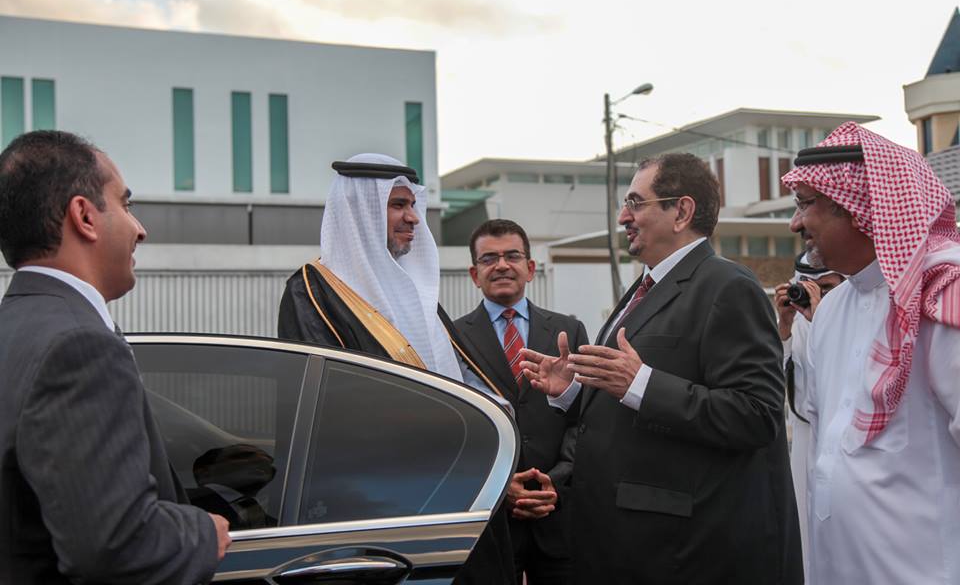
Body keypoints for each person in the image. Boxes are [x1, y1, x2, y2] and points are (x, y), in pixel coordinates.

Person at [521, 153, 802, 584]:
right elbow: (629, 404)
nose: (623, 217)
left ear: (681, 211)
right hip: (623, 542)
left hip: (681, 550)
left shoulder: (728, 287)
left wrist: (641, 383)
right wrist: (574, 392)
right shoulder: (646, 285)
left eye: (635, 203)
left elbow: (756, 415)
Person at [0, 131, 229, 584]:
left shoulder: (16, 329)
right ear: (84, 216)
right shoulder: (80, 347)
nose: (140, 229)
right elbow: (114, 545)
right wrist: (203, 533)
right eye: (125, 204)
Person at [277, 153, 516, 585]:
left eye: (413, 205)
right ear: (362, 210)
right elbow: (328, 409)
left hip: (454, 492)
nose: (412, 218)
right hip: (376, 511)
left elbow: (460, 382)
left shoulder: (414, 293)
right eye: (398, 205)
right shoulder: (312, 291)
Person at [782, 122, 960, 584]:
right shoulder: (831, 310)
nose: (796, 224)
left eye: (805, 204)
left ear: (860, 207)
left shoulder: (942, 293)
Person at [455, 219, 588, 585]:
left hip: (559, 513)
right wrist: (500, 485)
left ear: (530, 268)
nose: (501, 265)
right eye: (489, 258)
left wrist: (555, 481)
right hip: (492, 518)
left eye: (512, 256)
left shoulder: (568, 330)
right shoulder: (452, 339)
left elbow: (585, 416)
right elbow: (456, 427)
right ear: (474, 273)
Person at [773, 252, 844, 582]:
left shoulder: (851, 318)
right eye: (810, 287)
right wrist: (785, 327)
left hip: (843, 444)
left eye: (827, 289)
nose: (817, 295)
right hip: (804, 440)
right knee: (803, 526)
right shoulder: (798, 321)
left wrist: (822, 322)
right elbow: (778, 380)